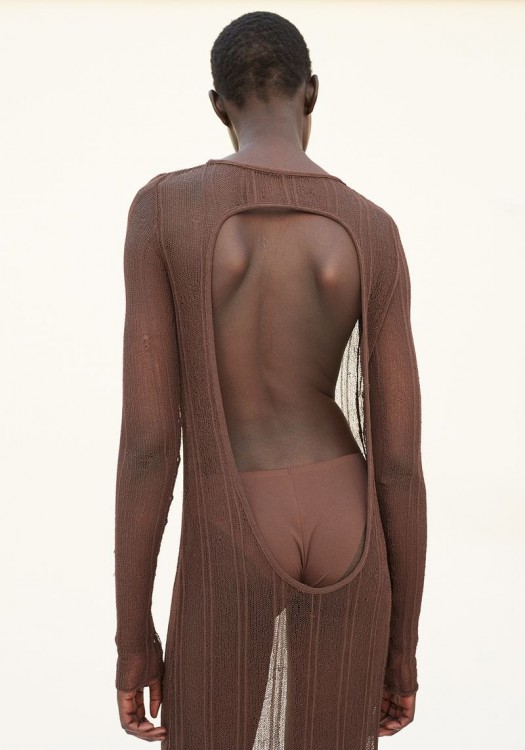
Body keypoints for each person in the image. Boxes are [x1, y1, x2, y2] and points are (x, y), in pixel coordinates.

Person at [114, 11, 427, 748]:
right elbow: (397, 462)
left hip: (235, 512)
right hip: (347, 516)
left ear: (218, 104)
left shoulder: (166, 208)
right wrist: (402, 650)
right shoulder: (371, 228)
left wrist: (133, 638)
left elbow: (151, 445)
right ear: (310, 93)